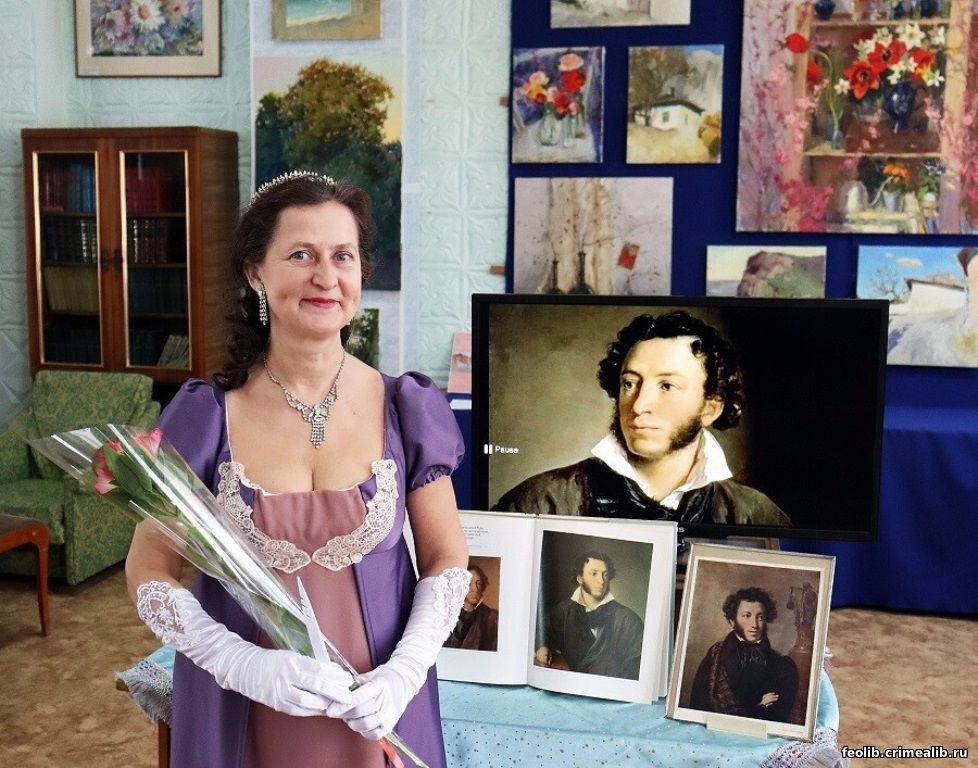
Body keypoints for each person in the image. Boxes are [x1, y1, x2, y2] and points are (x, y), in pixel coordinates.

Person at [124, 171, 469, 768]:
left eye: (343, 256)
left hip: (376, 714)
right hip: (239, 714)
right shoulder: (206, 416)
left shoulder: (406, 406)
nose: (326, 277)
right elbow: (149, 568)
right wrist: (239, 663)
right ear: (255, 272)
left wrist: (404, 673)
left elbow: (446, 558)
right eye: (301, 255)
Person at [493, 311, 790, 527]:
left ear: (710, 409)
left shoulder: (755, 514)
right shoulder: (539, 502)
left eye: (667, 386)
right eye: (630, 383)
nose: (639, 405)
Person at [689, 586, 799, 722]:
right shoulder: (715, 655)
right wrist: (759, 707)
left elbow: (775, 716)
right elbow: (700, 706)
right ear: (732, 621)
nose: (754, 625)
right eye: (747, 616)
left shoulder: (783, 666)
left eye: (760, 617)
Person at [534, 551, 644, 680]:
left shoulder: (629, 621)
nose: (601, 581)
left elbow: (637, 670)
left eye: (605, 574)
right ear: (580, 578)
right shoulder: (563, 612)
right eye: (594, 573)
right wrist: (542, 647)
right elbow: (540, 635)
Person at [443, 562, 499, 651]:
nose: (475, 589)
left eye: (479, 583)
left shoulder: (492, 618)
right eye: (469, 582)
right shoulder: (444, 613)